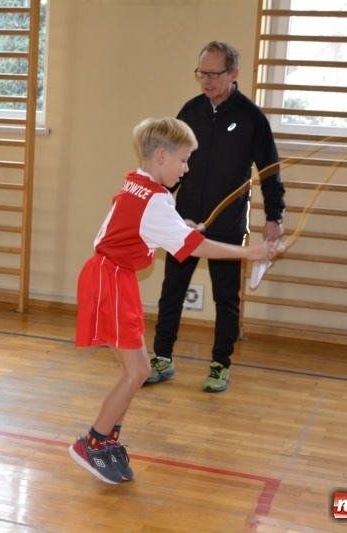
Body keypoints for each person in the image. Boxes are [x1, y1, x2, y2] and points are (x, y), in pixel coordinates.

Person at [69, 117, 280, 484]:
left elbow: (138, 219)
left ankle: (105, 441)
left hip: (112, 277)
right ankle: (93, 443)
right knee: (137, 371)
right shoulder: (155, 200)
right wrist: (251, 253)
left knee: (136, 371)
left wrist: (178, 224)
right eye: (183, 160)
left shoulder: (139, 182)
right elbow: (194, 246)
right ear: (162, 156)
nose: (186, 168)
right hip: (109, 281)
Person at [148, 41, 286, 393]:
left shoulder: (251, 117)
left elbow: (269, 169)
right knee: (172, 291)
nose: (206, 81)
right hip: (184, 222)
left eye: (214, 74)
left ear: (233, 74)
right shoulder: (190, 111)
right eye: (202, 73)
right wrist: (158, 204)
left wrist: (275, 214)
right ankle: (162, 357)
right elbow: (168, 165)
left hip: (226, 226)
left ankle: (220, 364)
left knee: (226, 298)